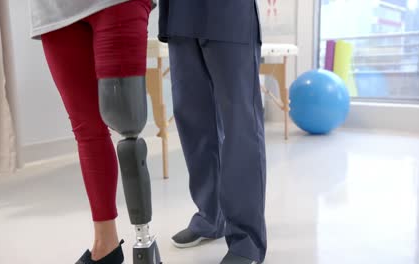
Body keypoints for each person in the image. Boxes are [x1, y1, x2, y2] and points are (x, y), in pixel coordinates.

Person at [29, 1, 160, 263]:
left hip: (115, 3)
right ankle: (105, 245)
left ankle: (145, 245)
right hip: (55, 10)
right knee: (86, 128)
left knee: (128, 125)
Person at [159, 1, 267, 264]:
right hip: (180, 16)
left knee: (240, 124)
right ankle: (210, 217)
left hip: (228, 12)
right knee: (192, 119)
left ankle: (247, 240)